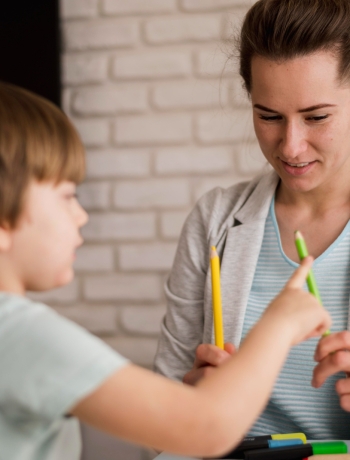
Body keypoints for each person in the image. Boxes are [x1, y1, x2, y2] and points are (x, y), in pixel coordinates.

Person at [0, 83, 330, 460]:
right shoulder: (24, 336)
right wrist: (280, 323)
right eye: (66, 196)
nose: (81, 215)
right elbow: (206, 427)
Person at [154, 0, 350, 440]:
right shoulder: (215, 221)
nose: (291, 146)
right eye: (268, 116)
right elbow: (163, 406)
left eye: (316, 117)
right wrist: (190, 408)